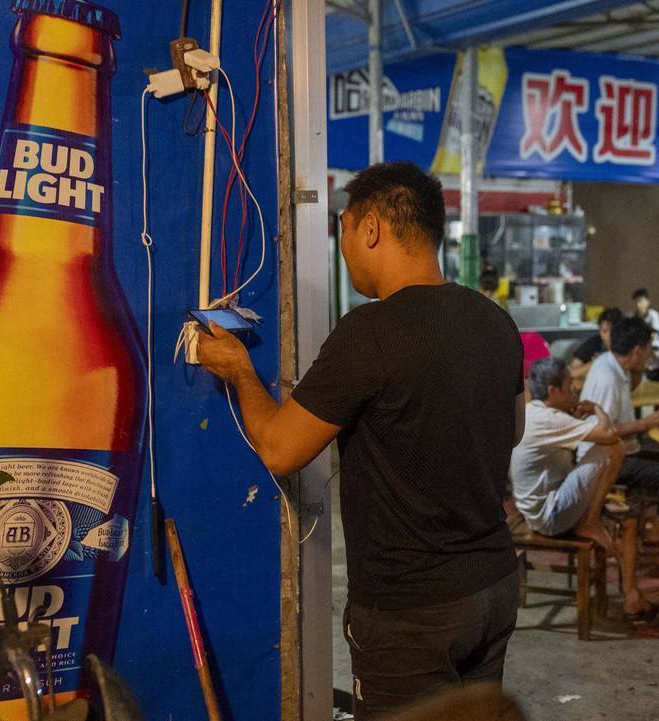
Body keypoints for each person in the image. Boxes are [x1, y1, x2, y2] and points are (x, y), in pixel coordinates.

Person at [197, 162, 524, 720]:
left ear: (370, 227)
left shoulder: (369, 330)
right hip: (492, 587)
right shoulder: (494, 320)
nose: (343, 245)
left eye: (343, 228)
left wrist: (240, 373)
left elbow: (280, 449)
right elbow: (510, 428)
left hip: (412, 609)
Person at [512, 358, 659, 629]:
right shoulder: (547, 418)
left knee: (629, 521)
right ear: (553, 392)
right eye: (570, 388)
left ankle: (632, 598)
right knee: (613, 449)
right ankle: (590, 522)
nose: (575, 393)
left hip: (548, 504)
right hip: (549, 515)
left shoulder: (539, 412)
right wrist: (597, 408)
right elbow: (610, 435)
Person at [580, 317, 659, 576]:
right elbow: (600, 432)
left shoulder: (613, 366)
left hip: (619, 451)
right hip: (602, 460)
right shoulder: (607, 378)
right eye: (648, 349)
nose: (651, 355)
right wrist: (644, 424)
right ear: (636, 350)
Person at [570, 307, 623, 384]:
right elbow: (572, 372)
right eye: (604, 331)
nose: (608, 336)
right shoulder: (594, 343)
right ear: (599, 330)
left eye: (613, 331)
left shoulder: (625, 344)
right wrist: (596, 362)